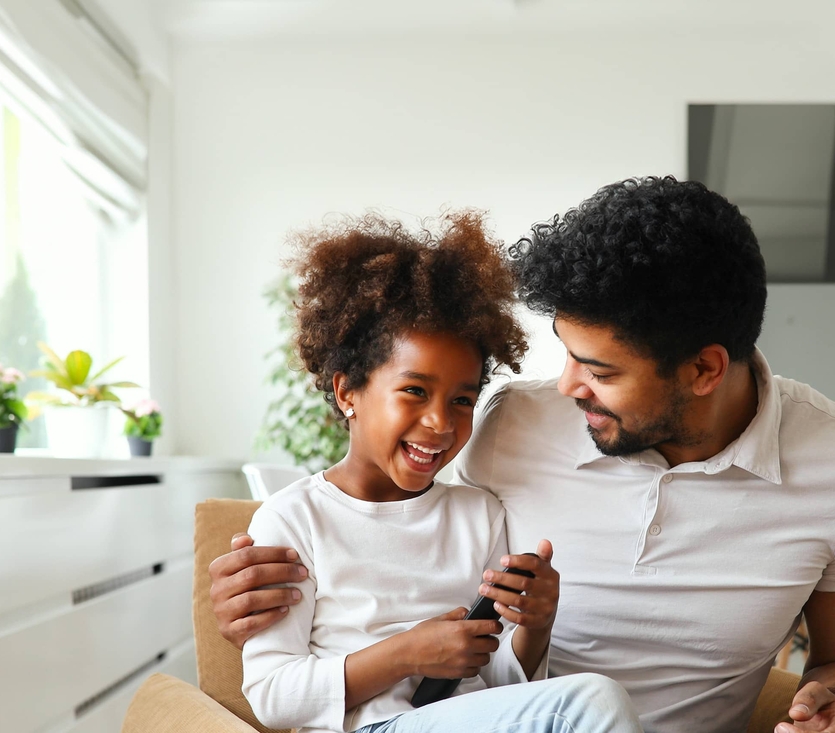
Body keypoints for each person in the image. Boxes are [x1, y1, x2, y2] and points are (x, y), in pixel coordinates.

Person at [212, 178, 835, 733]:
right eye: (565, 353)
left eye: (599, 371)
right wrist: (244, 582)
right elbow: (382, 516)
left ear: (703, 370)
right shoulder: (515, 424)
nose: (567, 386)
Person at [238, 211, 643, 733]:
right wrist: (406, 654)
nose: (439, 423)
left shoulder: (480, 514)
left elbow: (497, 684)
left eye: (462, 400)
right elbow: (272, 696)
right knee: (593, 702)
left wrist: (535, 626)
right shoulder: (294, 519)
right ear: (347, 392)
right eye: (414, 391)